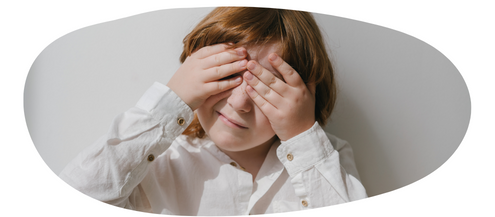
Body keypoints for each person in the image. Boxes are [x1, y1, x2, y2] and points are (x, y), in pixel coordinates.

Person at [59, 7, 367, 215]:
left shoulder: (326, 158)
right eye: (226, 76)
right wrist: (172, 101)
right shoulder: (159, 161)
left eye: (265, 88)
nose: (240, 103)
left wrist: (302, 136)